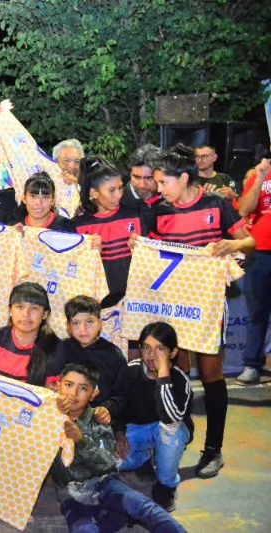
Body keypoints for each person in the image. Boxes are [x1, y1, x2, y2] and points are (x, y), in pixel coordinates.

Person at [151, 143, 255, 478]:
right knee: (179, 373)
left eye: (163, 182)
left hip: (208, 305)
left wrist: (234, 244)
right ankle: (182, 434)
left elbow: (248, 241)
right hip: (174, 305)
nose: (158, 189)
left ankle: (214, 450)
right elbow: (152, 253)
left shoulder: (217, 203)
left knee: (211, 376)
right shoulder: (159, 211)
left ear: (183, 178)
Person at [50, 362, 186, 532]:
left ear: (93, 394)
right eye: (68, 385)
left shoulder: (100, 419)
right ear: (56, 386)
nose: (73, 393)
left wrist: (81, 439)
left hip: (104, 483)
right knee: (84, 529)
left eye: (83, 388)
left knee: (144, 507)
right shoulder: (46, 419)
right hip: (71, 495)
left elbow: (106, 463)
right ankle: (110, 515)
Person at [115, 322, 193, 512]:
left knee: (170, 432)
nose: (152, 355)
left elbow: (171, 420)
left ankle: (166, 485)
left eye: (160, 349)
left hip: (168, 430)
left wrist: (163, 375)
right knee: (109, 463)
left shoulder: (179, 379)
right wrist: (118, 433)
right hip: (135, 430)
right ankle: (143, 457)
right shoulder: (129, 371)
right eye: (147, 348)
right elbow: (115, 406)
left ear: (173, 353)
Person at [74, 157, 153, 308]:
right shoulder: (77, 226)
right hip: (97, 306)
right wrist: (89, 256)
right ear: (94, 193)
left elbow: (153, 262)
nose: (118, 195)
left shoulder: (136, 215)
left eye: (120, 188)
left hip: (135, 303)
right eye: (111, 190)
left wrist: (142, 250)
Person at [48, 295, 128, 427]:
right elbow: (50, 384)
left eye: (89, 322)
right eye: (76, 323)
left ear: (100, 323)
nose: (83, 329)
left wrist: (107, 409)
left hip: (96, 425)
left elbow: (122, 394)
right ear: (68, 326)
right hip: (60, 419)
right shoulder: (61, 349)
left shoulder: (114, 355)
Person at [236, 154, 271, 384]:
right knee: (257, 312)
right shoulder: (262, 171)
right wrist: (259, 178)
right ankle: (252, 365)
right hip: (260, 252)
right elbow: (243, 210)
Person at [8, 172, 76, 232]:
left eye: (45, 197)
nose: (38, 202)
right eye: (33, 196)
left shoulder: (66, 227)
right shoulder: (14, 227)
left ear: (53, 201)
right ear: (24, 199)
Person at [122, 144, 162, 212]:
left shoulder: (173, 199)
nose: (142, 185)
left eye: (149, 178)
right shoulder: (116, 203)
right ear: (130, 174)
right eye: (137, 177)